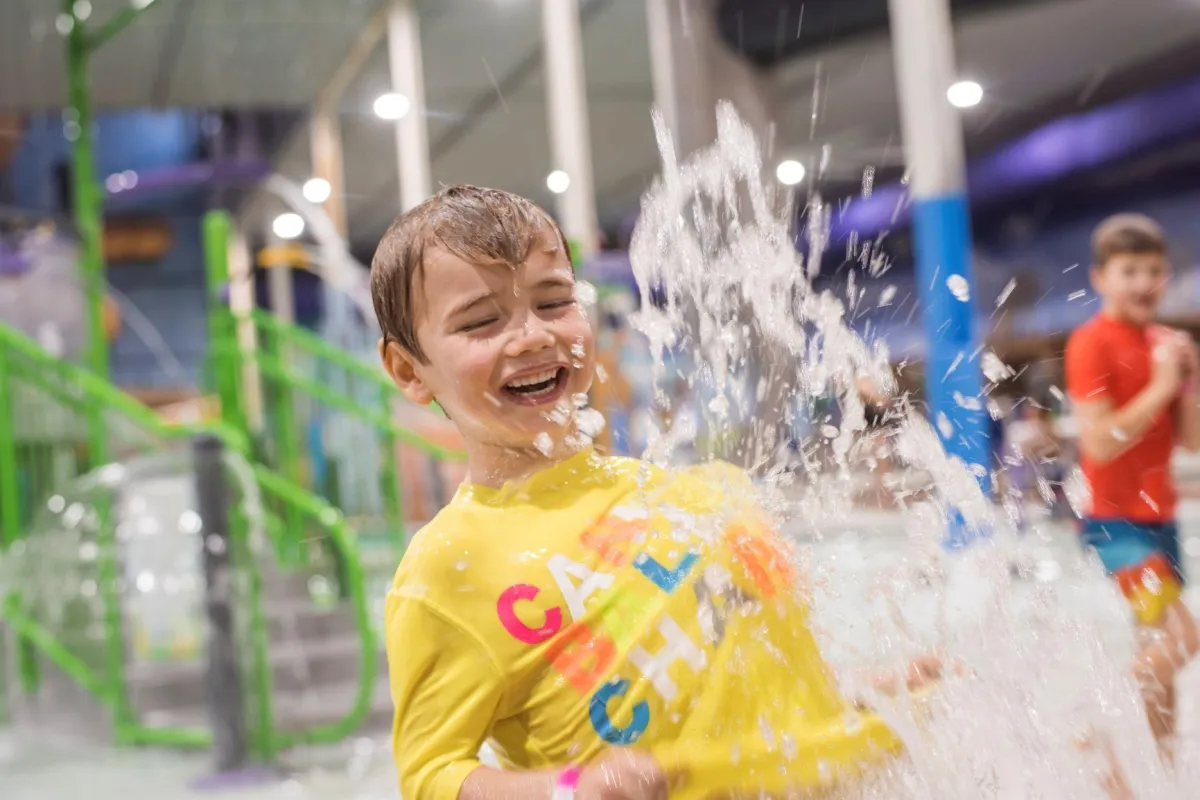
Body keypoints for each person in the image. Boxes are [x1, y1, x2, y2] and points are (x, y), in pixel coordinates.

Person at [370, 186, 939, 800]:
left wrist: (865, 690)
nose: (532, 336)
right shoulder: (450, 569)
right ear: (408, 369)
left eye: (554, 300)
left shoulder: (687, 496)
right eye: (481, 321)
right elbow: (431, 777)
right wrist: (568, 790)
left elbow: (738, 676)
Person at [1064, 212, 1200, 749]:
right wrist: (1162, 383)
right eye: (1130, 271)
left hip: (1160, 521)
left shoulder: (1167, 342)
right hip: (1114, 525)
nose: (1144, 283)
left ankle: (1162, 772)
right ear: (1101, 278)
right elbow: (1097, 442)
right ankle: (1095, 726)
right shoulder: (1090, 343)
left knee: (1159, 658)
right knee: (1183, 637)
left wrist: (1186, 382)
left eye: (1154, 270)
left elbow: (1191, 441)